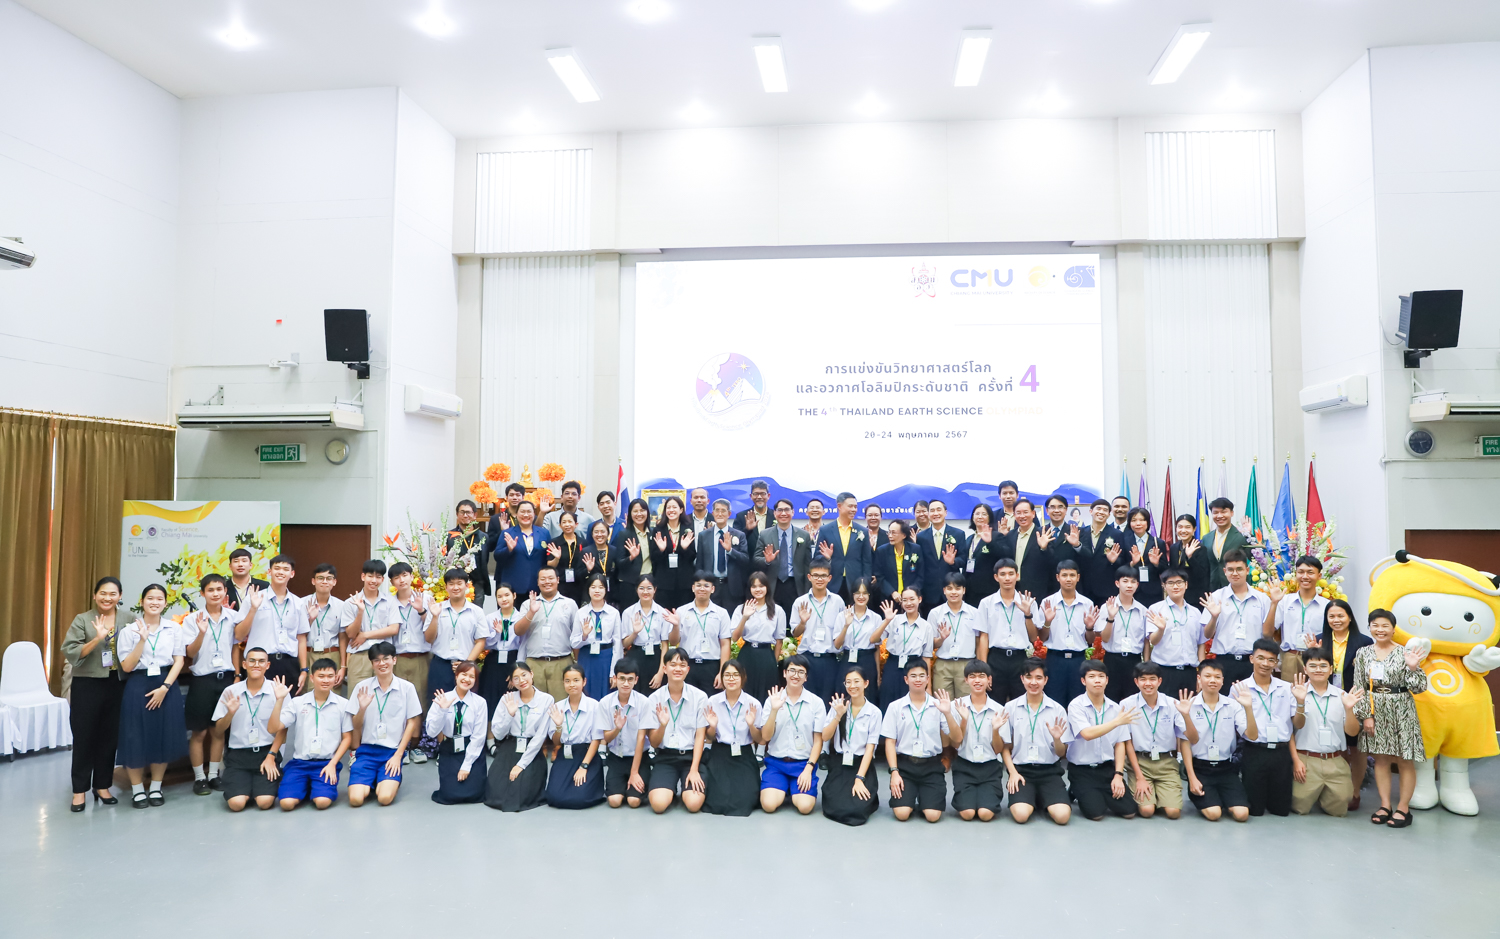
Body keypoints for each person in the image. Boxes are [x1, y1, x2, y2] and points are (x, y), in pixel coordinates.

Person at [1354, 609, 1429, 829]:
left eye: (1385, 625)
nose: (1380, 630)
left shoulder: (1405, 653)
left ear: (1393, 629)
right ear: (1369, 628)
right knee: (1381, 759)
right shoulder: (1363, 653)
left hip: (1402, 708)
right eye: (1375, 625)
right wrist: (1366, 716)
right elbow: (1359, 687)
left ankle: (1403, 808)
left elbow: (1419, 687)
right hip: (1375, 709)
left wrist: (1413, 667)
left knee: (1405, 759)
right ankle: (1385, 805)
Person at [64, 576, 133, 810]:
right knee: (84, 737)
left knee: (109, 737)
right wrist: (97, 639)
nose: (107, 598)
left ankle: (102, 786)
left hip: (118, 683)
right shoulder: (83, 619)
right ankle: (79, 790)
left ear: (120, 596)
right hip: (87, 684)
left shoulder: (129, 619)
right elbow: (70, 651)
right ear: (95, 595)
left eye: (113, 594)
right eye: (103, 593)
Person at [116, 584, 188, 808]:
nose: (154, 602)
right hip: (138, 684)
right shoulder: (129, 631)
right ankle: (137, 790)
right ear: (142, 602)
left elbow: (179, 660)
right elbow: (127, 666)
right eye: (150, 598)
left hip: (166, 684)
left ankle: (156, 787)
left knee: (163, 736)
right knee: (134, 737)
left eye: (159, 599)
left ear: (165, 603)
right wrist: (142, 640)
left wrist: (165, 687)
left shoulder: (174, 629)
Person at [181, 575, 243, 796]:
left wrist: (237, 675)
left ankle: (214, 775)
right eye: (210, 590)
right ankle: (200, 778)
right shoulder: (192, 619)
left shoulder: (233, 617)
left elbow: (236, 647)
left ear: (225, 592)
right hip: (202, 680)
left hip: (226, 680)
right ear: (202, 593)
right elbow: (190, 652)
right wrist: (202, 632)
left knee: (219, 731)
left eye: (219, 589)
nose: (215, 593)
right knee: (199, 733)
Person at [269, 657, 352, 810]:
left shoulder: (343, 704)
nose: (325, 680)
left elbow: (347, 738)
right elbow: (273, 728)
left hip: (326, 763)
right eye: (321, 676)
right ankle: (305, 786)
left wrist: (333, 763)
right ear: (312, 678)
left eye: (330, 676)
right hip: (300, 763)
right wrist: (279, 700)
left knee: (322, 802)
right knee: (286, 804)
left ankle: (310, 787)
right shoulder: (297, 702)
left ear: (336, 678)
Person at [999, 658, 1075, 824]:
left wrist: (1057, 739)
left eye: (1038, 678)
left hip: (1050, 772)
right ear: (1022, 679)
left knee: (1062, 817)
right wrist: (1012, 772)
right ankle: (1033, 797)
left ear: (1046, 680)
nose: (1033, 682)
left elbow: (1061, 753)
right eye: (1029, 677)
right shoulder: (1010, 708)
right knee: (1021, 815)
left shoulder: (1057, 709)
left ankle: (1040, 797)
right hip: (1022, 771)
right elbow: (1005, 747)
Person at [347, 642, 423, 807]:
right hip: (366, 751)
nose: (382, 663)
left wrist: (398, 755)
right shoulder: (362, 687)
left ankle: (384, 780)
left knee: (384, 798)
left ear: (394, 660)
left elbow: (411, 722)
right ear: (372, 664)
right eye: (377, 660)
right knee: (355, 800)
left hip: (391, 752)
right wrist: (362, 709)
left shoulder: (406, 688)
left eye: (386, 659)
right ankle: (374, 780)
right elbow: (355, 725)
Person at [1290, 648, 1363, 817]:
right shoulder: (1296, 692)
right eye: (1313, 666)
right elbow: (1297, 725)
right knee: (1300, 807)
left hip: (1335, 759)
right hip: (1306, 759)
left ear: (1331, 669)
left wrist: (1349, 709)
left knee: (1340, 808)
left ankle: (1323, 793)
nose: (1318, 669)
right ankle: (1314, 792)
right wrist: (1300, 702)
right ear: (1305, 669)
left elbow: (1352, 732)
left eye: (1323, 666)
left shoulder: (1342, 695)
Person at [1119, 662, 1196, 819]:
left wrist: (1186, 715)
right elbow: (1128, 743)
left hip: (1166, 763)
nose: (1148, 683)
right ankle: (1153, 797)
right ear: (1136, 682)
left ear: (1159, 681)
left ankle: (1162, 796)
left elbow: (1193, 738)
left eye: (1152, 679)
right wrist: (1139, 777)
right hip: (1140, 762)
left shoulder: (1172, 704)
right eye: (1143, 679)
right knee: (1147, 811)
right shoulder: (1127, 705)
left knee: (1173, 813)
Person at [212, 647, 283, 812]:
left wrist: (271, 756)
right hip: (238, 756)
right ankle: (245, 788)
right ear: (244, 664)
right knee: (236, 804)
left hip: (266, 753)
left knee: (264, 802)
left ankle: (256, 788)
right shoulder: (231, 691)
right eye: (252, 661)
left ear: (268, 665)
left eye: (261, 661)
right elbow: (218, 731)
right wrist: (230, 713)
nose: (256, 664)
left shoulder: (277, 690)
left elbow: (283, 730)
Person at [1183, 660, 1255, 822]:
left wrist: (1248, 708)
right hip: (1200, 768)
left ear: (1223, 680)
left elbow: (1252, 735)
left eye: (1217, 677)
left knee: (1242, 814)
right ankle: (1209, 797)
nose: (1212, 680)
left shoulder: (1233, 705)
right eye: (1207, 676)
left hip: (1226, 768)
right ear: (1199, 679)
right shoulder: (1189, 706)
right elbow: (1185, 743)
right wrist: (1192, 778)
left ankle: (1221, 797)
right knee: (1214, 814)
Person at [1065, 661, 1138, 821]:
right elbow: (1087, 734)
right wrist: (1116, 722)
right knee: (1096, 813)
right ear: (1083, 681)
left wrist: (1118, 775)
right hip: (1082, 769)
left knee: (1130, 811)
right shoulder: (1076, 706)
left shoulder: (1116, 708)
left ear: (1107, 680)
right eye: (1091, 676)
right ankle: (1076, 789)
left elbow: (1120, 744)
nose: (1097, 680)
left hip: (1106, 769)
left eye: (1101, 676)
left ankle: (1094, 792)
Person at [1317, 598, 1372, 804]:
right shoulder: (1320, 640)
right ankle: (1334, 790)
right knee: (1335, 747)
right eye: (1331, 616)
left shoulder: (1364, 642)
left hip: (1354, 700)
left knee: (1356, 749)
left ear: (1349, 617)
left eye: (1341, 615)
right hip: (1328, 701)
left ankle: (1355, 792)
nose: (1336, 620)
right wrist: (1313, 652)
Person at [641, 648, 709, 814]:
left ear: (688, 669)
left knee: (693, 804)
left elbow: (700, 737)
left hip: (691, 757)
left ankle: (685, 790)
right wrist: (663, 725)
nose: (678, 668)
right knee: (658, 805)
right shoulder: (654, 699)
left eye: (682, 665)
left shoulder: (700, 697)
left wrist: (694, 770)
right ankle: (670, 789)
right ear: (664, 668)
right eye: (673, 664)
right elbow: (654, 743)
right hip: (666, 757)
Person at [756, 655, 826, 815]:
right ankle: (784, 787)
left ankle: (790, 788)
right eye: (792, 670)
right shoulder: (773, 699)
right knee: (768, 805)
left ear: (806, 677)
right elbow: (765, 737)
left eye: (801, 672)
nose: (796, 675)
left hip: (802, 765)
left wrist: (808, 769)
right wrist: (774, 710)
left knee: (805, 807)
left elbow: (818, 741)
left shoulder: (816, 703)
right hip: (777, 763)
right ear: (784, 673)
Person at [883, 660, 951, 823]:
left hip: (931, 766)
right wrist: (894, 772)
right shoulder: (895, 707)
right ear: (906, 679)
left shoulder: (938, 706)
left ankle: (925, 797)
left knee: (933, 816)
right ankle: (912, 795)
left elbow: (954, 738)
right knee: (902, 814)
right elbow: (890, 742)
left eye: (922, 675)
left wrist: (948, 713)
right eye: (913, 676)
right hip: (905, 766)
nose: (918, 679)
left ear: (928, 679)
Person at [1237, 637, 1297, 816]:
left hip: (1281, 752)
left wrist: (1301, 702)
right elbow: (1247, 733)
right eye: (1261, 658)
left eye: (1271, 660)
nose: (1265, 663)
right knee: (1254, 810)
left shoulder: (1287, 688)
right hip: (1254, 751)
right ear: (1252, 658)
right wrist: (1248, 706)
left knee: (1281, 810)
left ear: (1276, 663)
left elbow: (1297, 724)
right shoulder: (1239, 689)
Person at [485, 661, 555, 812]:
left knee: (520, 792)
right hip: (510, 746)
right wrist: (510, 715)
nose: (521, 680)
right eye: (516, 678)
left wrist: (521, 765)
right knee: (496, 793)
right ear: (511, 682)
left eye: (524, 675)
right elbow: (498, 735)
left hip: (532, 751)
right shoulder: (507, 699)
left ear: (531, 674)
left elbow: (540, 737)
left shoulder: (546, 700)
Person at [819, 666, 882, 826]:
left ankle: (869, 796)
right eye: (848, 682)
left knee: (856, 811)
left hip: (861, 764)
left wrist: (859, 778)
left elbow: (870, 749)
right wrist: (838, 715)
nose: (852, 686)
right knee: (833, 805)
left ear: (866, 683)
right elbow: (825, 736)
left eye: (856, 681)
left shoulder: (874, 712)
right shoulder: (839, 706)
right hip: (840, 763)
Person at [235, 554, 307, 692]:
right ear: (269, 572)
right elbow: (238, 635)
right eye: (277, 568)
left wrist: (304, 670)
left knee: (287, 703)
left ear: (292, 574)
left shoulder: (298, 603)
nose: (281, 572)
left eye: (285, 569)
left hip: (289, 663)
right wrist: (253, 609)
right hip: (259, 663)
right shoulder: (253, 599)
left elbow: (301, 638)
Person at [702, 659, 763, 816]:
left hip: (744, 753)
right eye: (727, 675)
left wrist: (751, 725)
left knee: (746, 799)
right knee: (717, 799)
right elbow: (709, 738)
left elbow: (759, 739)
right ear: (721, 678)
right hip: (720, 752)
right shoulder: (712, 702)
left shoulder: (753, 704)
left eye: (735, 675)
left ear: (743, 677)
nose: (731, 679)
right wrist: (712, 727)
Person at [424, 660, 488, 805]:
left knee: (475, 794)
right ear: (456, 675)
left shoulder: (480, 702)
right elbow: (431, 732)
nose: (467, 679)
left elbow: (479, 736)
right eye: (464, 674)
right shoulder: (442, 698)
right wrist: (443, 710)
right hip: (449, 748)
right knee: (450, 796)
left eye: (472, 676)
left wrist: (466, 766)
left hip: (471, 748)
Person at [1201, 549, 1269, 686]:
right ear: (1225, 571)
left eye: (1239, 569)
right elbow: (1207, 635)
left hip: (1253, 661)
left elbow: (1268, 633)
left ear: (1247, 570)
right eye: (1230, 570)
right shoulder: (1216, 597)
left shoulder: (1262, 599)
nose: (1235, 573)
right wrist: (1214, 617)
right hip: (1224, 661)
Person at [949, 660, 1005, 821]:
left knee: (985, 814)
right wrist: (963, 720)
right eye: (972, 676)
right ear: (966, 680)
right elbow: (955, 744)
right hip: (965, 766)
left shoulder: (999, 709)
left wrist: (995, 730)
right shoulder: (956, 706)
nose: (977, 680)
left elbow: (998, 749)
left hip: (990, 767)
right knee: (967, 814)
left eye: (982, 676)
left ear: (989, 679)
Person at [1036, 560, 1099, 700]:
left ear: (1078, 577)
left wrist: (1089, 627)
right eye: (1064, 575)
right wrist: (1047, 622)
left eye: (1072, 575)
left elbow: (1090, 641)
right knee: (1054, 700)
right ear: (1057, 577)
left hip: (1078, 660)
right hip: (1055, 659)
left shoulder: (1087, 603)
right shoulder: (1048, 602)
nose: (1068, 579)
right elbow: (1042, 638)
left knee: (1078, 701)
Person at [545, 664, 605, 809]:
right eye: (567, 681)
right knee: (553, 798)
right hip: (565, 755)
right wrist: (558, 726)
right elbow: (556, 741)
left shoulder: (594, 706)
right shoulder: (558, 706)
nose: (572, 684)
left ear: (584, 682)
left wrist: (584, 766)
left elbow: (596, 739)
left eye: (576, 680)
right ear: (563, 683)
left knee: (580, 799)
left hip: (586, 755)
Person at [515, 567, 579, 701]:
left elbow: (576, 636)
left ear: (558, 580)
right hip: (534, 664)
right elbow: (518, 631)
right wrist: (531, 612)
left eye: (550, 578)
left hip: (561, 662)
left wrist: (577, 663)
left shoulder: (570, 604)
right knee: (534, 705)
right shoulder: (528, 604)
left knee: (560, 705)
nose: (547, 582)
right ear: (538, 582)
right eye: (543, 579)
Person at [1267, 555, 1330, 682]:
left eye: (1310, 572)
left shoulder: (1326, 605)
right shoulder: (1285, 601)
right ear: (1296, 575)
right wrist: (1274, 603)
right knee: (1289, 692)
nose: (1305, 576)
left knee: (1315, 692)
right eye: (1301, 572)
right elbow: (1268, 631)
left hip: (1316, 659)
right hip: (1290, 657)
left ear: (1319, 576)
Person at [1145, 569, 1205, 700]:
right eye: (1171, 583)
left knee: (1188, 709)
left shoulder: (1195, 612)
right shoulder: (1155, 609)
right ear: (1164, 586)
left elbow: (1200, 644)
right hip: (1164, 671)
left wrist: (1201, 674)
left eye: (1179, 582)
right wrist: (1161, 629)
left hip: (1189, 672)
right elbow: (1153, 641)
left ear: (1186, 584)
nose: (1175, 586)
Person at [598, 660, 650, 808]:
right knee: (614, 801)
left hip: (639, 757)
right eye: (622, 679)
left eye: (630, 679)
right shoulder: (605, 703)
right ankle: (622, 787)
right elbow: (606, 738)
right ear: (615, 678)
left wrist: (634, 773)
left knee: (634, 802)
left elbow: (641, 738)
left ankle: (635, 784)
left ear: (636, 680)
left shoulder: (644, 702)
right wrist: (617, 728)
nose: (626, 683)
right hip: (616, 757)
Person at [790, 562, 846, 702]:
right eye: (816, 575)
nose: (819, 579)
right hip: (807, 659)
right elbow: (795, 633)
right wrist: (803, 622)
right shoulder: (800, 602)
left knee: (828, 700)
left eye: (823, 576)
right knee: (806, 700)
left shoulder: (838, 602)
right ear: (809, 577)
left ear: (829, 578)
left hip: (829, 660)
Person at [981, 559, 1034, 703]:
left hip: (1020, 659)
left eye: (1011, 574)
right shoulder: (986, 603)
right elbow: (983, 637)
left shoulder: (1028, 602)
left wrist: (1027, 614)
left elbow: (1034, 637)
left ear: (1017, 576)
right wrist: (984, 671)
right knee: (995, 703)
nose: (1007, 578)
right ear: (996, 577)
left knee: (1021, 703)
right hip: (996, 658)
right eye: (1003, 574)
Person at [341, 559, 394, 700]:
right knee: (358, 698)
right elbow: (351, 634)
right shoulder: (350, 603)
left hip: (383, 656)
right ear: (363, 576)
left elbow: (394, 629)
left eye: (378, 577)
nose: (374, 580)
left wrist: (365, 635)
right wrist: (360, 612)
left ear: (382, 579)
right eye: (370, 576)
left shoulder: (390, 601)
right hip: (360, 655)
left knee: (384, 698)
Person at [731, 572, 786, 703]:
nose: (758, 589)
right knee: (745, 690)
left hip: (766, 655)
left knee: (766, 692)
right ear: (749, 589)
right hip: (747, 653)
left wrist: (774, 661)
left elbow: (779, 640)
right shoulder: (741, 609)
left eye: (761, 586)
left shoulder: (777, 610)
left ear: (767, 587)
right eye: (754, 586)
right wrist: (745, 617)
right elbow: (734, 637)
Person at [753, 498, 813, 616]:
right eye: (780, 510)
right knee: (772, 618)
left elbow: (808, 565)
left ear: (793, 512)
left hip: (795, 584)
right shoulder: (765, 534)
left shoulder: (804, 535)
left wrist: (807, 589)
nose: (783, 513)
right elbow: (756, 559)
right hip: (773, 584)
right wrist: (767, 561)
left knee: (794, 618)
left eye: (787, 510)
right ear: (775, 513)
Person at [672, 574, 731, 694]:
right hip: (687, 665)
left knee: (710, 702)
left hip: (711, 666)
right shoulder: (681, 611)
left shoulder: (721, 613)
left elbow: (725, 644)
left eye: (706, 585)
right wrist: (675, 626)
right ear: (693, 588)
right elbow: (673, 642)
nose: (702, 589)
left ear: (712, 589)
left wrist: (722, 672)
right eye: (698, 585)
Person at [931, 573, 985, 700]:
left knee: (966, 704)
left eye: (957, 588)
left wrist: (980, 668)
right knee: (942, 703)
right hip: (943, 665)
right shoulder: (935, 613)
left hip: (967, 664)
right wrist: (941, 638)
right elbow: (931, 644)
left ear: (964, 590)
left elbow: (978, 642)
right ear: (944, 590)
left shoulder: (974, 613)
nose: (953, 592)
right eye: (949, 588)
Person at [1098, 567, 1149, 702]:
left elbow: (1146, 641)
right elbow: (1104, 638)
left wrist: (1146, 665)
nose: (1129, 585)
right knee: (1110, 700)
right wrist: (1110, 618)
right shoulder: (1107, 607)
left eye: (1133, 582)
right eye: (1125, 581)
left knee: (1133, 701)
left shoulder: (1142, 610)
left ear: (1137, 585)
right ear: (1117, 583)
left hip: (1134, 661)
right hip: (1112, 660)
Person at [818, 492, 874, 604]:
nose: (853, 510)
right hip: (832, 582)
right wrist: (827, 558)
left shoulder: (862, 531)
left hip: (855, 583)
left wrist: (865, 582)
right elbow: (817, 558)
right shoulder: (826, 530)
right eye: (850, 506)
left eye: (855, 507)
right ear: (839, 506)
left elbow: (867, 561)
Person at [695, 498, 750, 611]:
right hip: (710, 586)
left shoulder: (739, 535)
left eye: (723, 511)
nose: (720, 514)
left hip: (731, 587)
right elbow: (700, 563)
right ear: (713, 513)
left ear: (729, 514)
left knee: (731, 619)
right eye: (717, 510)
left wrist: (730, 550)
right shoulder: (703, 535)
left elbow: (745, 560)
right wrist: (700, 585)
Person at [879, 589, 931, 709]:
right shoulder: (894, 620)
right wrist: (887, 621)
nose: (908, 603)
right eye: (905, 600)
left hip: (914, 666)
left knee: (911, 703)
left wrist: (928, 687)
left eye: (912, 599)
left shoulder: (926, 626)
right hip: (893, 664)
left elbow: (927, 657)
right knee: (888, 701)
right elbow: (873, 639)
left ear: (920, 599)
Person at [571, 574, 620, 700]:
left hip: (606, 657)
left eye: (601, 587)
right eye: (593, 587)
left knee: (606, 696)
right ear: (588, 590)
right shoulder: (581, 613)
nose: (597, 591)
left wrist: (614, 672)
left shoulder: (613, 613)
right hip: (587, 657)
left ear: (606, 590)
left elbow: (618, 644)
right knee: (586, 694)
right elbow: (573, 643)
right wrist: (584, 635)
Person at [833, 578, 885, 693]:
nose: (861, 597)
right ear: (852, 594)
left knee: (868, 694)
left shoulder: (876, 618)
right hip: (847, 659)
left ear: (869, 595)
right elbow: (837, 645)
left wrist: (878, 674)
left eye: (865, 593)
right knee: (846, 694)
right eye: (858, 593)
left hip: (867, 659)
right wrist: (846, 626)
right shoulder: (842, 615)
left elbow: (876, 648)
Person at [620, 575, 670, 692]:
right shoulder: (628, 612)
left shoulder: (662, 612)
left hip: (656, 657)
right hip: (635, 655)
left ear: (655, 589)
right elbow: (624, 644)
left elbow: (665, 644)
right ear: (636, 590)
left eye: (649, 588)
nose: (645, 592)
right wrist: (635, 633)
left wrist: (661, 672)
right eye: (641, 588)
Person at [479, 583, 523, 716]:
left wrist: (517, 669)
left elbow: (523, 644)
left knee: (511, 695)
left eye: (507, 595)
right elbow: (485, 644)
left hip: (513, 658)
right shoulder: (490, 618)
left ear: (514, 596)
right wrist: (497, 634)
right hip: (494, 659)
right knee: (490, 695)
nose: (503, 599)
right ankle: (490, 728)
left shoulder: (521, 618)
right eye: (499, 596)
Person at [301, 565, 347, 692]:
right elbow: (299, 636)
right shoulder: (302, 604)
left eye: (329, 578)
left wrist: (343, 667)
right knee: (308, 694)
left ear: (334, 582)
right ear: (313, 581)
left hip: (331, 654)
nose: (324, 581)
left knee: (332, 693)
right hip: (308, 654)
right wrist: (310, 620)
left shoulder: (341, 606)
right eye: (320, 578)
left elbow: (343, 637)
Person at [1000, 499, 1057, 600]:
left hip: (1036, 589)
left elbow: (1053, 561)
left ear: (1033, 514)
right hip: (1013, 588)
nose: (1022, 516)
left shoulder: (1043, 534)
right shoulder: (1010, 535)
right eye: (1018, 513)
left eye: (1025, 512)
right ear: (1014, 515)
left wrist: (1043, 548)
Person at [914, 499, 965, 614]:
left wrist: (953, 561)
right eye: (932, 510)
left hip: (951, 590)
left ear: (945, 512)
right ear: (928, 514)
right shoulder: (921, 537)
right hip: (929, 592)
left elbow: (963, 559)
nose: (935, 513)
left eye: (938, 510)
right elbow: (920, 565)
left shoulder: (958, 534)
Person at [491, 500, 550, 597]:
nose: (526, 515)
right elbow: (497, 556)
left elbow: (547, 557)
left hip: (538, 585)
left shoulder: (544, 533)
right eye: (522, 511)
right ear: (517, 514)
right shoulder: (508, 533)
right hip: (514, 586)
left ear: (534, 514)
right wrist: (509, 550)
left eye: (529, 511)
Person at [648, 495, 697, 609]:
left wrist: (684, 548)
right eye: (668, 507)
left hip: (684, 582)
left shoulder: (688, 529)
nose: (671, 510)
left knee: (683, 614)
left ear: (681, 510)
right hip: (663, 582)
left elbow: (692, 557)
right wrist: (661, 550)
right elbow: (653, 558)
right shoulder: (658, 529)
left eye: (674, 507)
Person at [1074, 499, 1121, 605]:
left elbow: (1123, 560)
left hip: (1106, 589)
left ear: (1109, 514)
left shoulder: (1117, 534)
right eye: (1098, 509)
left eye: (1105, 510)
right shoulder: (1080, 533)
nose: (1101, 512)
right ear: (1091, 511)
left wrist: (1114, 561)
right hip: (1083, 587)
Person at [1119, 507, 1166, 606]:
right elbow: (1119, 567)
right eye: (1134, 520)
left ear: (1147, 522)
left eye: (1142, 520)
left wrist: (1156, 564)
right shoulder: (1123, 541)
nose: (1138, 523)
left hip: (1152, 590)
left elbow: (1165, 569)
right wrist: (1132, 564)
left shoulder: (1158, 542)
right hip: (1130, 590)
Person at [445, 500, 489, 605]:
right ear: (457, 514)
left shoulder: (483, 537)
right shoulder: (449, 536)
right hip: (455, 583)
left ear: (475, 515)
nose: (465, 515)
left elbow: (485, 559)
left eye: (468, 512)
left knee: (476, 612)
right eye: (462, 512)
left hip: (477, 583)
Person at [873, 519, 923, 605]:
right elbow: (879, 576)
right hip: (889, 598)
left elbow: (920, 575)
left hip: (911, 598)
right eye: (889, 532)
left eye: (894, 533)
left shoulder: (915, 549)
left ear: (904, 535)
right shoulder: (882, 551)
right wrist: (892, 592)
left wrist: (910, 592)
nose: (890, 536)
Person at [1165, 515, 1211, 610]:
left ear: (1194, 529)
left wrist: (1190, 557)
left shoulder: (1200, 548)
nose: (1183, 530)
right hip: (1177, 594)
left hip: (1195, 596)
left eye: (1187, 527)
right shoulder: (1174, 547)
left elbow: (1202, 574)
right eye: (1180, 527)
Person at [613, 498, 654, 603]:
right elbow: (619, 563)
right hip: (630, 584)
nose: (639, 514)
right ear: (630, 514)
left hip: (649, 582)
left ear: (647, 512)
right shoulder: (624, 534)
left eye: (642, 510)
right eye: (635, 511)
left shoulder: (653, 533)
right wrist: (631, 557)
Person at [1204, 497, 1250, 591]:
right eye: (1215, 512)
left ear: (1231, 513)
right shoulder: (1206, 538)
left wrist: (1249, 535)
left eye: (1223, 512)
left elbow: (1253, 557)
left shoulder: (1241, 536)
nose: (1219, 516)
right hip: (1213, 588)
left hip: (1236, 587)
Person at [545, 510, 587, 604]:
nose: (567, 525)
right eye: (564, 522)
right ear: (560, 525)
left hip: (579, 584)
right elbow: (550, 566)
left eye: (570, 521)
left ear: (576, 524)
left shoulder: (583, 543)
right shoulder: (554, 543)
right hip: (560, 584)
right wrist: (557, 558)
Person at [963, 505, 1002, 605]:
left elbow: (1003, 556)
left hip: (988, 589)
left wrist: (990, 543)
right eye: (977, 514)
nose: (980, 517)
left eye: (984, 514)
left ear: (990, 518)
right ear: (973, 517)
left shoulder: (996, 536)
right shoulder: (969, 539)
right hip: (969, 590)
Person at [579, 519, 622, 608]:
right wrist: (588, 570)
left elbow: (619, 572)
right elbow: (578, 576)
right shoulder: (586, 551)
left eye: (602, 532)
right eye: (596, 532)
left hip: (611, 594)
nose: (599, 535)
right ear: (592, 534)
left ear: (608, 534)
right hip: (591, 593)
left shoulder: (614, 550)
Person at [223, 547, 268, 615]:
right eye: (236, 561)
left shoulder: (264, 586)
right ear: (230, 566)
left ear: (250, 565)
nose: (240, 564)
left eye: (244, 561)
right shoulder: (223, 587)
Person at [734, 479, 773, 553]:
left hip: (772, 558)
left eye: (763, 494)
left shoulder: (775, 515)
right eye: (756, 494)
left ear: (768, 496)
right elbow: (736, 541)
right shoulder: (741, 516)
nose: (759, 497)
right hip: (749, 558)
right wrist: (747, 529)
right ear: (751, 496)